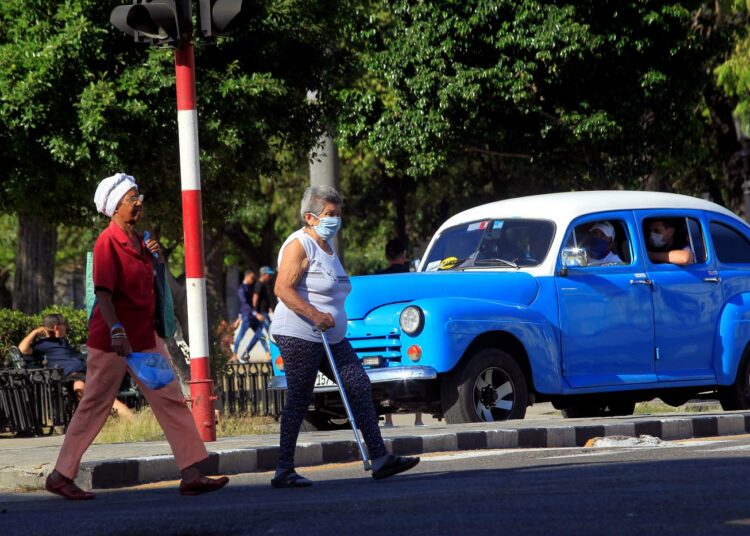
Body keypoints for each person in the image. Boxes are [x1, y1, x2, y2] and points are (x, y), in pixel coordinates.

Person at [45, 173, 228, 500]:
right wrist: (115, 329)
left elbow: (149, 288)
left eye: (137, 195)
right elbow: (103, 294)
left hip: (144, 338)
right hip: (113, 341)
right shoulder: (107, 242)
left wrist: (155, 258)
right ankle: (61, 474)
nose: (138, 202)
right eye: (131, 198)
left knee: (169, 399)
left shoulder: (141, 242)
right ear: (115, 207)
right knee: (95, 406)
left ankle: (191, 472)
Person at [270, 185, 420, 487]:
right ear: (310, 217)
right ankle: (283, 469)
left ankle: (379, 457)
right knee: (299, 397)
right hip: (301, 334)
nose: (336, 219)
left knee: (358, 384)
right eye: (330, 214)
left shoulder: (327, 248)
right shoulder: (300, 245)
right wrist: (315, 315)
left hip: (332, 337)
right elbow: (282, 289)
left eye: (338, 214)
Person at [18, 314, 132, 419]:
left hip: (84, 373)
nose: (66, 328)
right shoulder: (43, 344)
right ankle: (97, 419)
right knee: (81, 388)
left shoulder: (64, 343)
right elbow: (22, 349)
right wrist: (35, 332)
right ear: (57, 327)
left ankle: (131, 419)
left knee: (101, 393)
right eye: (64, 325)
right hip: (71, 376)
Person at [232, 269, 268, 363]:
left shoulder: (250, 287)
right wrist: (255, 314)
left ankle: (268, 353)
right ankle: (234, 355)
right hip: (247, 316)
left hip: (252, 316)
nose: (253, 280)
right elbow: (245, 305)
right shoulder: (241, 290)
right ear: (246, 277)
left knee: (260, 334)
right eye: (252, 278)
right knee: (240, 336)